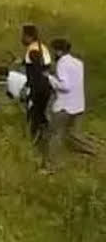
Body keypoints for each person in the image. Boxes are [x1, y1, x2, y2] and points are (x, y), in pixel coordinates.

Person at [42, 38, 97, 170]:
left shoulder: (62, 63)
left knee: (55, 135)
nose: (53, 54)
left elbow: (65, 86)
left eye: (54, 51)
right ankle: (94, 151)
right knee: (73, 134)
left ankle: (51, 166)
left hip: (64, 106)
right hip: (78, 104)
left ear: (59, 51)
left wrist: (49, 78)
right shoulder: (78, 63)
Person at [21, 24, 53, 145]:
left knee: (34, 116)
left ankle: (35, 142)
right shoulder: (41, 47)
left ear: (29, 36)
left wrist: (30, 91)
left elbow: (37, 68)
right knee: (40, 114)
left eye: (23, 36)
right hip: (46, 87)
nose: (22, 38)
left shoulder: (33, 50)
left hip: (38, 87)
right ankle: (43, 138)